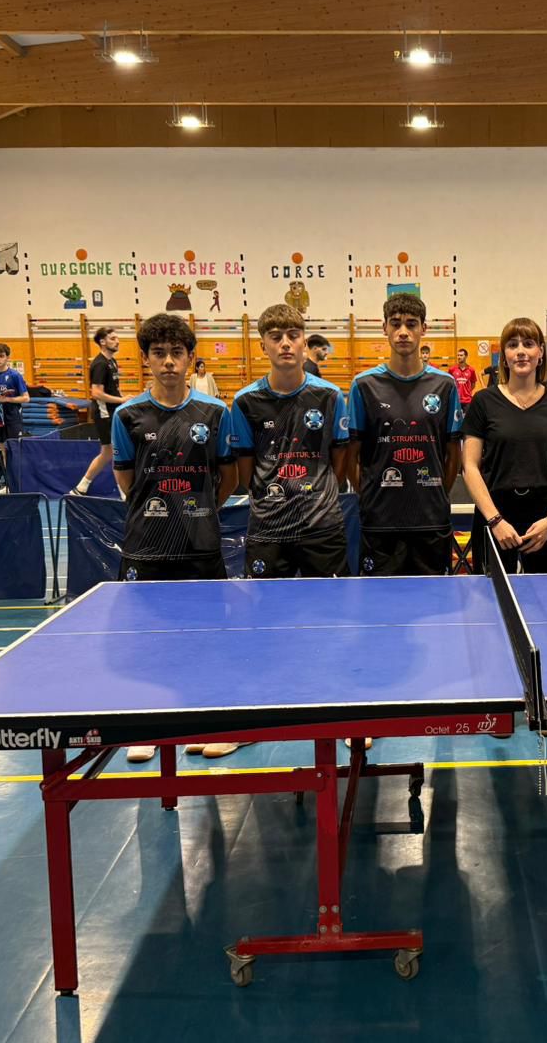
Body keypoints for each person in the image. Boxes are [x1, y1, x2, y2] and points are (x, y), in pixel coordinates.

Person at [111, 314, 238, 764]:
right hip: (146, 545)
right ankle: (150, 728)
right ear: (146, 359)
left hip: (200, 545)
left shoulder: (215, 413)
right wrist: (159, 509)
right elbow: (126, 479)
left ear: (190, 359)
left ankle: (206, 723)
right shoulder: (127, 415)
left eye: (176, 353)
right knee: (148, 640)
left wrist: (198, 511)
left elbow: (227, 477)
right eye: (159, 353)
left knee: (210, 638)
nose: (168, 362)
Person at [228, 304, 350, 579]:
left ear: (304, 343)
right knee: (266, 606)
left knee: (332, 604)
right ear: (263, 346)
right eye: (275, 337)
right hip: (268, 529)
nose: (285, 343)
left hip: (322, 527)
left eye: (293, 336)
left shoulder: (331, 396)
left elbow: (339, 463)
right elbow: (246, 472)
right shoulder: (245, 402)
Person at [348, 293, 463, 577]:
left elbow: (453, 455)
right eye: (395, 323)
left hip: (431, 519)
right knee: (380, 602)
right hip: (380, 522)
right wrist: (371, 495)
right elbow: (352, 457)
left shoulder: (445, 385)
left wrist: (435, 492)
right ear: (384, 328)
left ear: (424, 329)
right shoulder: (363, 385)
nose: (403, 332)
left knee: (435, 601)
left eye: (411, 324)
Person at [462, 318, 547, 575]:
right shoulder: (483, 402)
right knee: (492, 596)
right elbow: (469, 466)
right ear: (504, 356)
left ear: (540, 352)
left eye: (528, 344)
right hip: (494, 513)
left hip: (544, 515)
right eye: (513, 345)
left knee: (546, 596)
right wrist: (495, 520)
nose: (521, 351)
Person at [73, 328, 122, 496]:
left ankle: (81, 487)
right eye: (113, 338)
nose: (117, 341)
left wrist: (123, 401)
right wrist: (122, 400)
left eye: (117, 338)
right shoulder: (100, 364)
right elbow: (96, 393)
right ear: (102, 342)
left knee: (108, 452)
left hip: (113, 412)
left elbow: (113, 390)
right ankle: (124, 492)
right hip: (104, 414)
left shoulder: (112, 362)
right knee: (115, 452)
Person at [0, 343, 29, 466]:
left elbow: (26, 398)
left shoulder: (15, 375)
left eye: (1, 356)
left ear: (7, 357)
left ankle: (18, 474)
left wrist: (7, 400)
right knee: (1, 448)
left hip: (13, 417)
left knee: (15, 448)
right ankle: (7, 475)